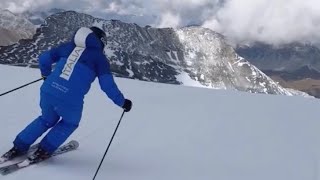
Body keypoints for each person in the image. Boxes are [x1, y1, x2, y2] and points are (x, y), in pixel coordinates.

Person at [0, 26, 132, 163]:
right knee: (70, 122)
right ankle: (44, 150)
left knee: (46, 119)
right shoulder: (99, 58)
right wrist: (122, 102)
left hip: (48, 90)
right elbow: (107, 85)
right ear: (101, 41)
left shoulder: (67, 47)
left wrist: (46, 76)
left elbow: (44, 59)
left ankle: (18, 147)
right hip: (70, 98)